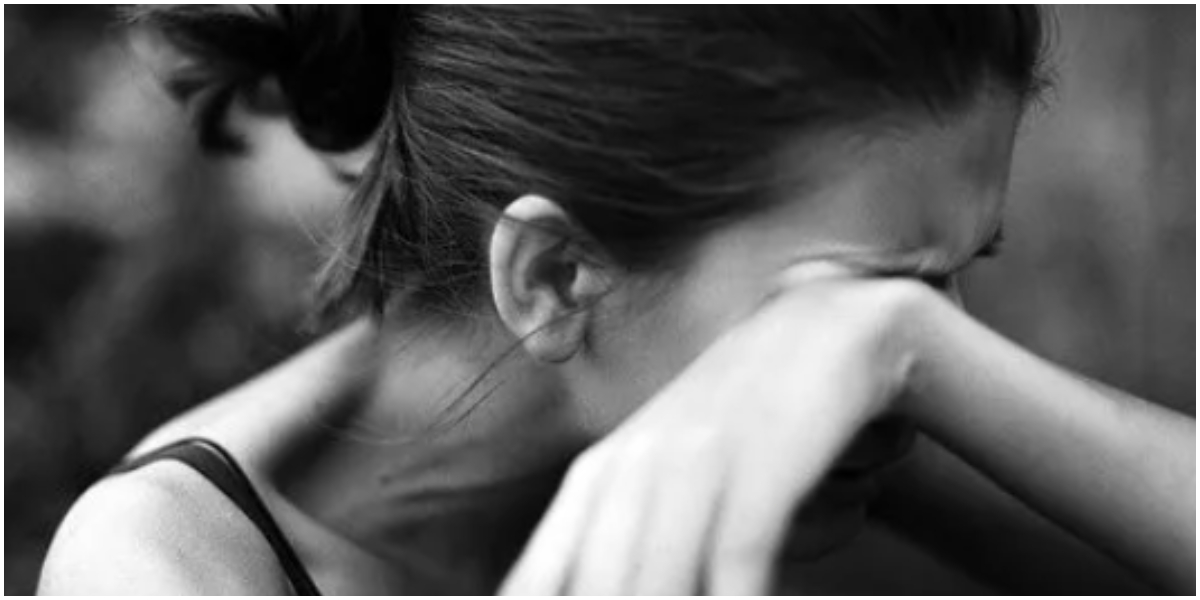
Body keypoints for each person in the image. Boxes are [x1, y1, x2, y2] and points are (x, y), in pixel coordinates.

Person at [39, 6, 1194, 595]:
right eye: (862, 294)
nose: (921, 348)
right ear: (553, 278)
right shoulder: (164, 569)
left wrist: (896, 336)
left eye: (958, 279)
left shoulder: (856, 394)